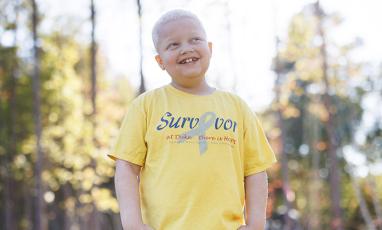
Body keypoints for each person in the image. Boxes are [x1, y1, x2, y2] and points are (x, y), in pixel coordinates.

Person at [109, 9, 277, 230]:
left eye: (195, 39)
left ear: (209, 48)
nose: (186, 48)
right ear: (160, 61)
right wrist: (133, 224)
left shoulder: (237, 107)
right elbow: (126, 169)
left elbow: (255, 171)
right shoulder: (146, 105)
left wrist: (256, 225)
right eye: (173, 44)